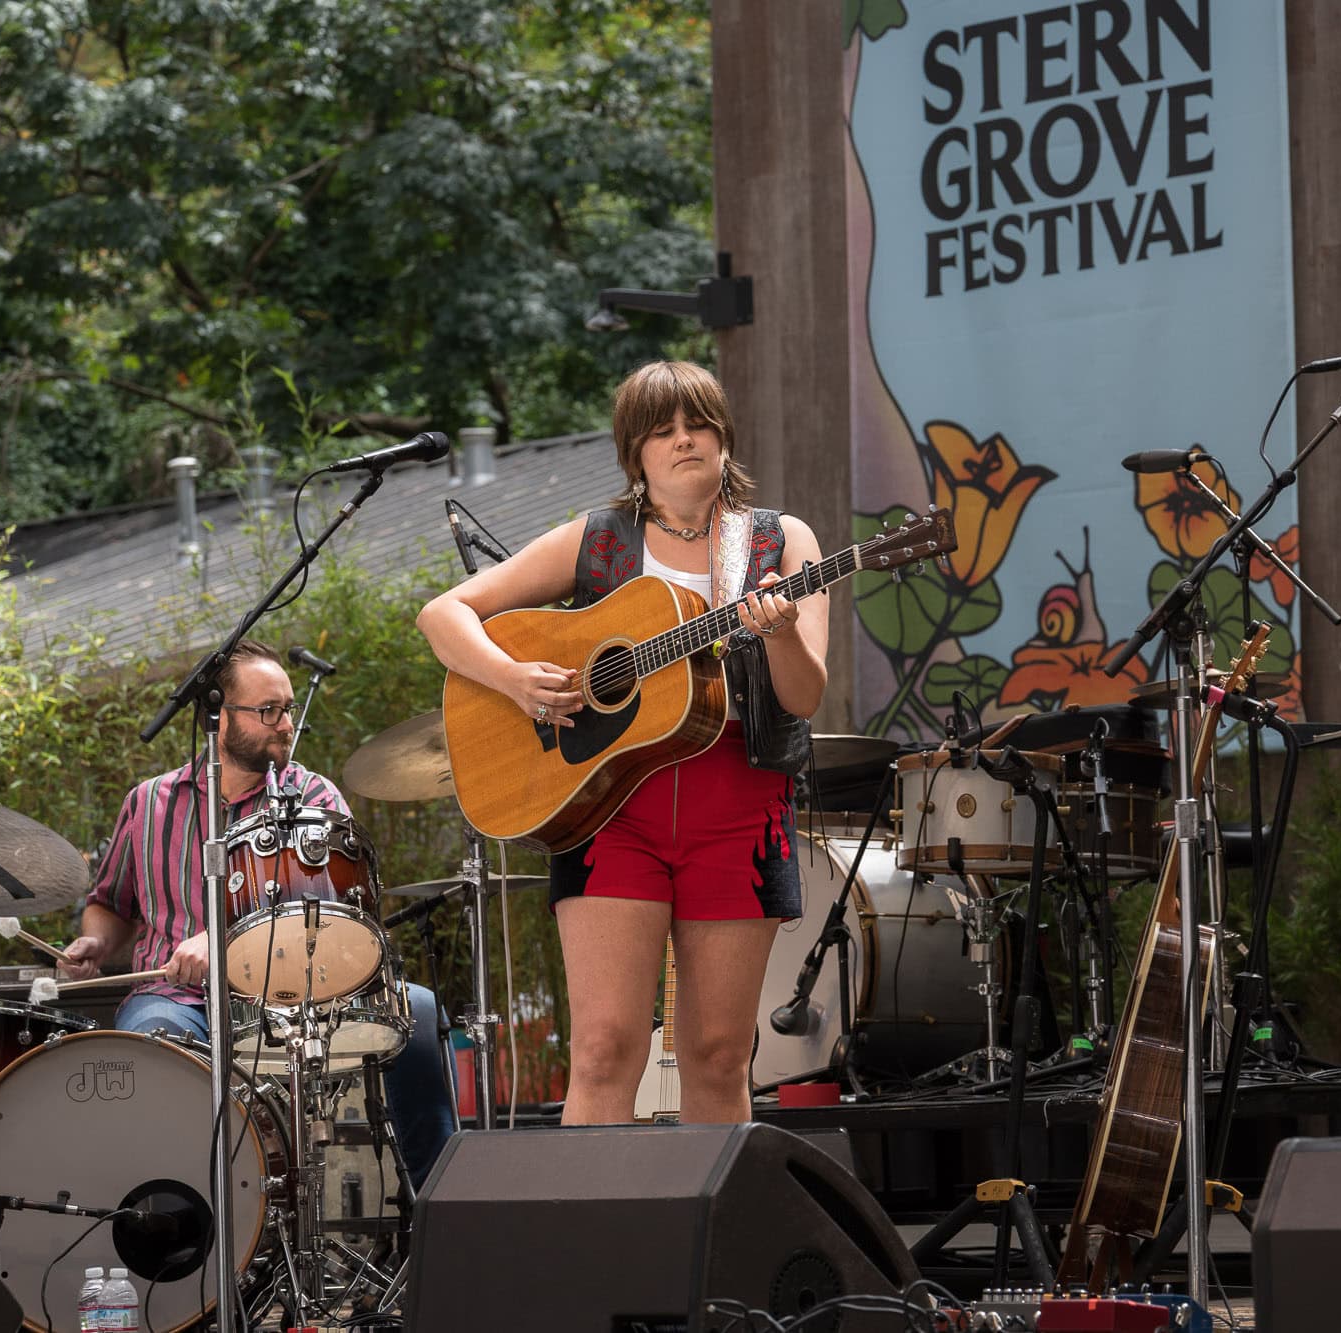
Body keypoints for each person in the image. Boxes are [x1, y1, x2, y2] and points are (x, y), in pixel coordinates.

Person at [417, 360, 825, 1125]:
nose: (683, 440)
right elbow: (445, 615)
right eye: (661, 430)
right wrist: (512, 678)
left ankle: (712, 1242)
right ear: (634, 453)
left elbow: (804, 696)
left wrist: (784, 634)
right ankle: (593, 1244)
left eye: (697, 423)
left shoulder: (778, 539)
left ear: (724, 436)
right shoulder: (598, 540)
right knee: (604, 1047)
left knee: (717, 1052)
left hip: (738, 804)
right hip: (611, 811)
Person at [63, 640, 458, 1188]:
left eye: (289, 708)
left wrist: (219, 941)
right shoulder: (148, 802)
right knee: (151, 1047)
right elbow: (111, 903)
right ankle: (177, 1222)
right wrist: (97, 946)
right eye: (268, 710)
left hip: (300, 996)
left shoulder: (313, 794)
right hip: (178, 1000)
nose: (285, 723)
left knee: (419, 1014)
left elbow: (338, 916)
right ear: (218, 717)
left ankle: (437, 1208)